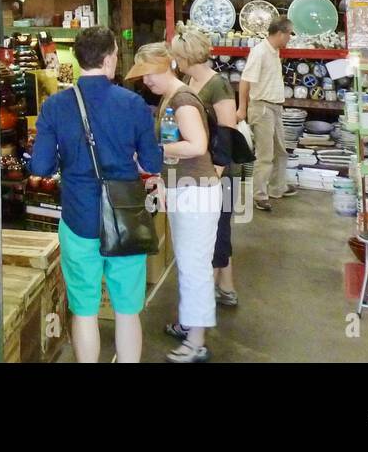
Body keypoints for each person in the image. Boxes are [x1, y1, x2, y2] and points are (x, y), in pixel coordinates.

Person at [30, 27, 161, 364]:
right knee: (128, 311)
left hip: (78, 219)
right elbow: (152, 162)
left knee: (85, 311)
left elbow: (41, 166)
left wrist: (68, 159)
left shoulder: (55, 106)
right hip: (125, 218)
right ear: (107, 60)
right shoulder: (133, 103)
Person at [127, 42, 222, 363]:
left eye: (150, 73)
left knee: (195, 267)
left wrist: (154, 149)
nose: (146, 82)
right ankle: (189, 323)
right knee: (188, 262)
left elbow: (197, 145)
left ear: (166, 66)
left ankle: (196, 343)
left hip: (196, 192)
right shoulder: (171, 97)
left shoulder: (182, 99)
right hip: (186, 190)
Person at [170, 24, 240, 309]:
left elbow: (228, 133)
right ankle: (227, 287)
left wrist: (216, 174)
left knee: (214, 234)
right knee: (218, 230)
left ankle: (203, 302)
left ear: (186, 56)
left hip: (216, 173)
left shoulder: (218, 84)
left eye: (176, 55)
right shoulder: (189, 82)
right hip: (201, 170)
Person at [237, 18, 297, 212]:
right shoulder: (260, 52)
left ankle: (277, 187)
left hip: (275, 107)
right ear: (281, 33)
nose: (290, 38)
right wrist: (242, 108)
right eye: (289, 34)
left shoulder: (274, 51)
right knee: (265, 154)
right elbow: (245, 81)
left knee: (280, 151)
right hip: (262, 107)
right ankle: (259, 194)